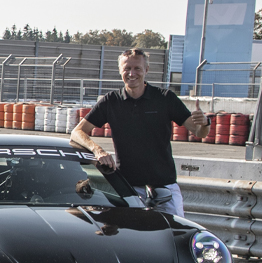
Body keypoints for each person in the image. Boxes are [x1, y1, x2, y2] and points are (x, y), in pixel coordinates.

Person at [70, 48, 208, 216]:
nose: (131, 73)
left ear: (146, 70)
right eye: (127, 68)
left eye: (137, 68)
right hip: (128, 189)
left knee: (174, 236)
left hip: (164, 188)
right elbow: (77, 132)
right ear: (120, 70)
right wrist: (98, 151)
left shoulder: (165, 98)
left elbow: (199, 132)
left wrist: (205, 123)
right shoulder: (111, 101)